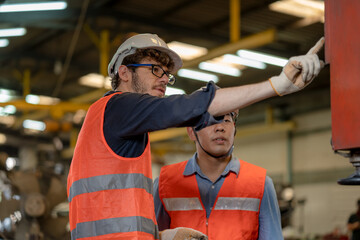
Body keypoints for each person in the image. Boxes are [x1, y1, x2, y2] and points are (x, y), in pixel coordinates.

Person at [66, 33, 324, 240]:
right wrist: (277, 85)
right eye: (155, 70)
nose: (165, 79)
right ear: (124, 72)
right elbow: (190, 107)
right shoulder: (118, 107)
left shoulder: (113, 120)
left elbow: (117, 217)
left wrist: (164, 235)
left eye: (167, 73)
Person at [153, 107, 283, 240]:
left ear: (234, 128)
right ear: (192, 131)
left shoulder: (261, 184)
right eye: (210, 121)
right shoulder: (165, 183)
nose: (220, 127)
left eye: (227, 120)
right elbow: (152, 236)